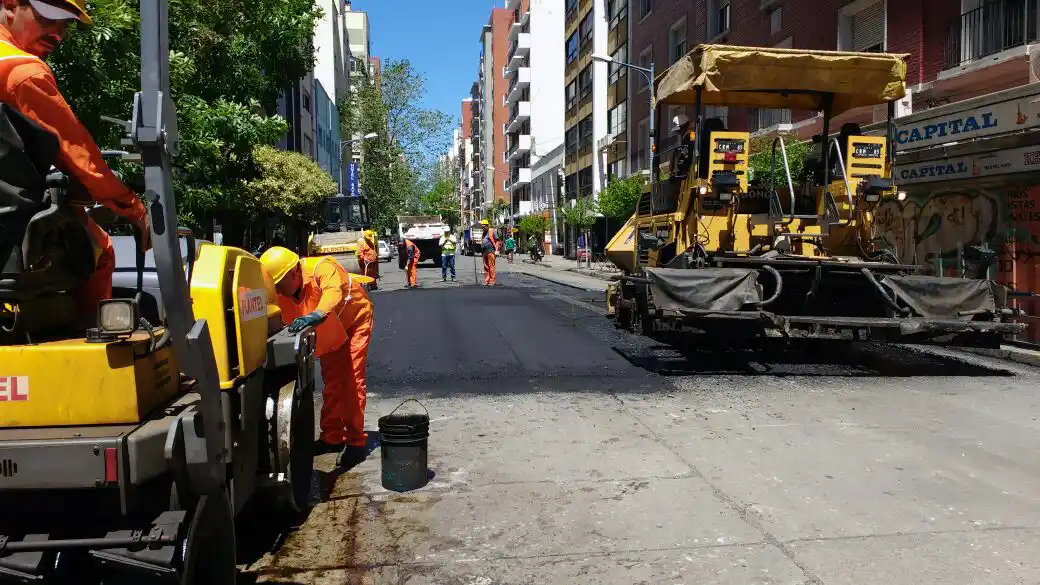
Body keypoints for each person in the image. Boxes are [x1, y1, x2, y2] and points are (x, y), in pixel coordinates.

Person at [0, 0, 150, 314]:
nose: (57, 33)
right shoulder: (22, 73)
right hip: (9, 227)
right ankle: (92, 338)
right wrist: (133, 208)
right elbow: (80, 158)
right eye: (47, 19)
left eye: (65, 24)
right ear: (10, 5)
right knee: (101, 249)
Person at [259, 246, 373, 468]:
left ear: (294, 272)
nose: (280, 293)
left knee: (350, 382)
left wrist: (317, 314)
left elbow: (333, 291)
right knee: (332, 382)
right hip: (330, 333)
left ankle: (356, 441)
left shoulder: (323, 268)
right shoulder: (281, 294)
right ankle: (332, 437)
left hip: (353, 324)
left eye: (281, 286)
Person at [480, 219, 498, 287]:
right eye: (482, 227)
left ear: (487, 226)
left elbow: (497, 241)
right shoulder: (483, 233)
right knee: (486, 266)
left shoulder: (492, 231)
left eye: (484, 227)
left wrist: (496, 250)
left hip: (491, 251)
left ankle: (492, 280)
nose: (483, 228)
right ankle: (487, 280)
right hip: (484, 251)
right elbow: (483, 241)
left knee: (491, 266)